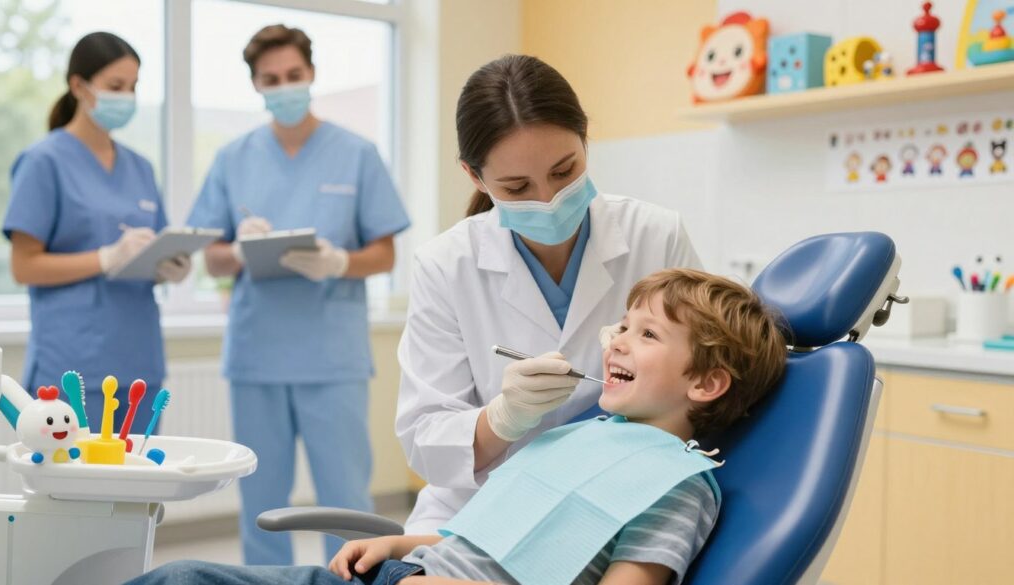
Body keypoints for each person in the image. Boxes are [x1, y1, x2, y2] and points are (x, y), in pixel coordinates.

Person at [130, 267, 788, 585]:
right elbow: (497, 527)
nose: (614, 340)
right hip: (408, 572)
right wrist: (401, 544)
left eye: (646, 333)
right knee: (182, 577)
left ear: (705, 383)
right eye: (623, 323)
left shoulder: (675, 484)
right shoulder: (585, 433)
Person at [395, 54, 703, 534]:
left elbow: (705, 371)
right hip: (475, 517)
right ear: (475, 177)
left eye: (564, 172)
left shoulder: (656, 236)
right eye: (517, 187)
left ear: (585, 140)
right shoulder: (445, 265)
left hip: (620, 502)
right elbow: (427, 439)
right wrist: (504, 417)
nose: (549, 199)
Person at [186, 24, 410, 565]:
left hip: (331, 356)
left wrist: (337, 261)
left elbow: (385, 254)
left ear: (311, 75)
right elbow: (209, 253)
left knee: (345, 501)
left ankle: (354, 579)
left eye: (294, 75)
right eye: (271, 79)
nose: (284, 86)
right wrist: (238, 251)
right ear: (255, 85)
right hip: (257, 353)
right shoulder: (233, 157)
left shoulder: (357, 154)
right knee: (261, 502)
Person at [2, 32, 188, 433]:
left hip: (138, 365)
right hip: (72, 366)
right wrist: (104, 258)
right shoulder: (43, 162)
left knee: (141, 489)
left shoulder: (140, 167)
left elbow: (153, 247)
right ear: (79, 86)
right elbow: (24, 266)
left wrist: (167, 265)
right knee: (72, 491)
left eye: (134, 86)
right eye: (115, 86)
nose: (127, 96)